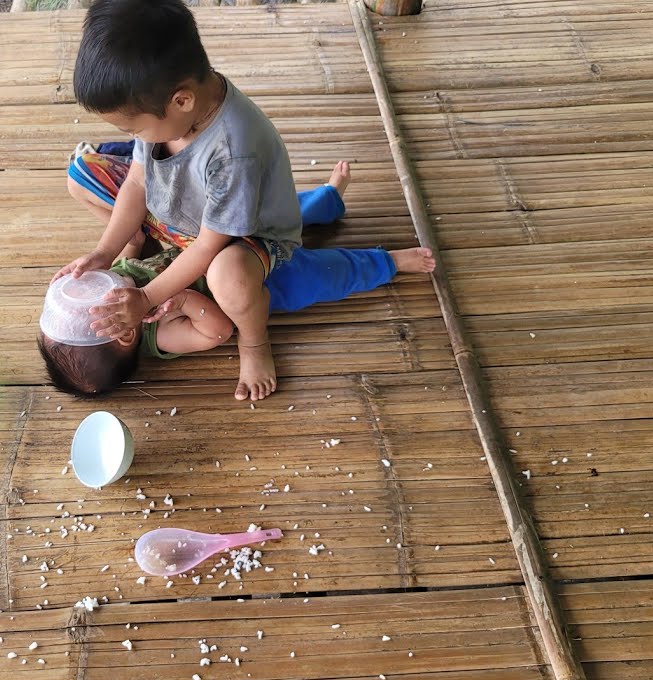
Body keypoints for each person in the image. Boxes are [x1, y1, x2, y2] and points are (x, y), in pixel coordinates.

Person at [56, 0, 305, 401]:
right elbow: (137, 183)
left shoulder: (233, 149)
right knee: (80, 175)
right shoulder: (167, 107)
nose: (133, 135)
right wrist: (105, 252)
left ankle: (255, 343)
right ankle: (144, 240)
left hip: (244, 237)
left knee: (230, 278)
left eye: (132, 127)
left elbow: (211, 244)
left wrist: (147, 297)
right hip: (179, 217)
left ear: (182, 100)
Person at [40, 164, 435, 398]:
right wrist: (179, 301)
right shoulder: (156, 334)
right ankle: (389, 263)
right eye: (76, 309)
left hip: (206, 240)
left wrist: (127, 243)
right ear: (123, 335)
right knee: (325, 273)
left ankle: (328, 200)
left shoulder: (118, 285)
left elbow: (134, 261)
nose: (71, 293)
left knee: (272, 216)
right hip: (251, 279)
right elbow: (216, 331)